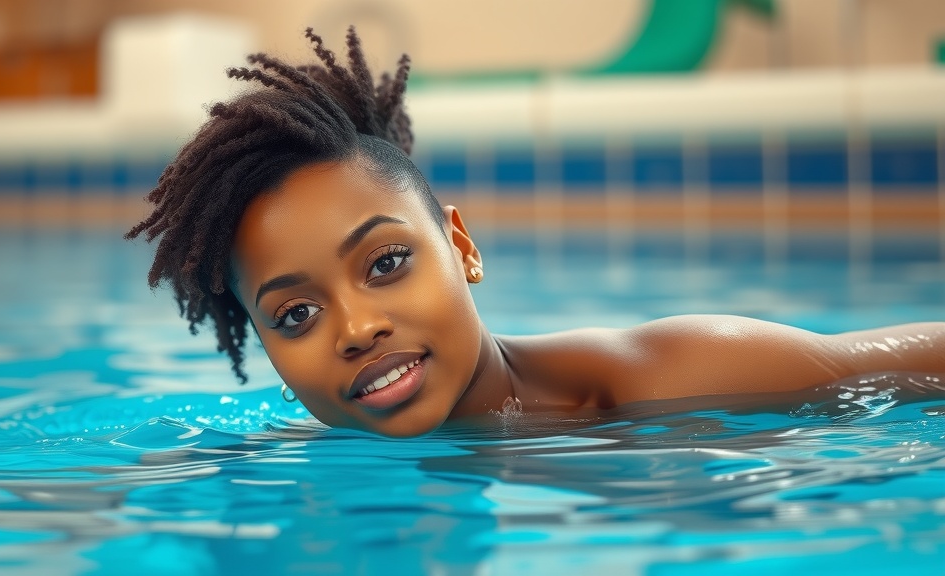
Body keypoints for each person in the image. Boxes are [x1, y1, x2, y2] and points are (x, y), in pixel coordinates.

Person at [126, 28, 944, 438]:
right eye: (295, 315)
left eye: (387, 262)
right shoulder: (268, 470)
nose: (358, 327)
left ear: (463, 247)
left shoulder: (671, 383)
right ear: (266, 349)